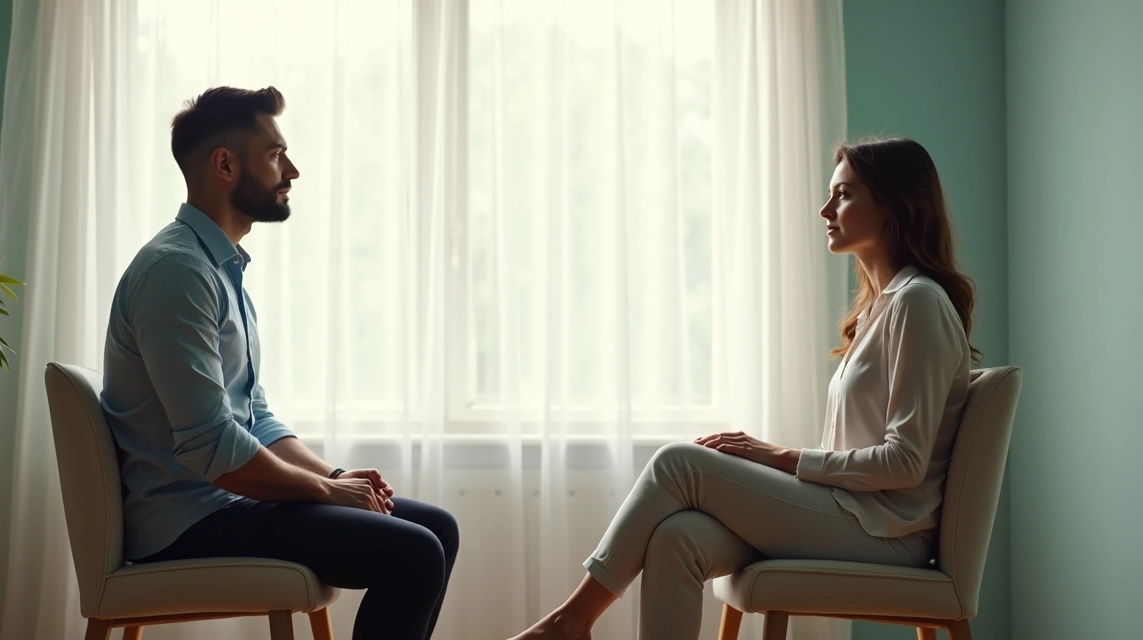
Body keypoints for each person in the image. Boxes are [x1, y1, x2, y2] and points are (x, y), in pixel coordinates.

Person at [509, 137, 978, 640]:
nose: (825, 209)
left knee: (679, 463)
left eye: (843, 194)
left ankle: (570, 622)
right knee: (676, 537)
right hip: (852, 514)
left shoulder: (918, 304)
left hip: (887, 532)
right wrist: (782, 463)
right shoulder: (876, 312)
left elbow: (903, 463)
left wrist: (780, 457)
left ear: (892, 205)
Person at [101, 86, 458, 640]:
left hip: (224, 500)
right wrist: (327, 492)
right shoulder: (176, 273)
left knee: (436, 527)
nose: (291, 170)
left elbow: (255, 418)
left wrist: (332, 476)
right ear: (225, 164)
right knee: (415, 551)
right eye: (274, 154)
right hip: (188, 521)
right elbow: (212, 446)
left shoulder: (218, 268)